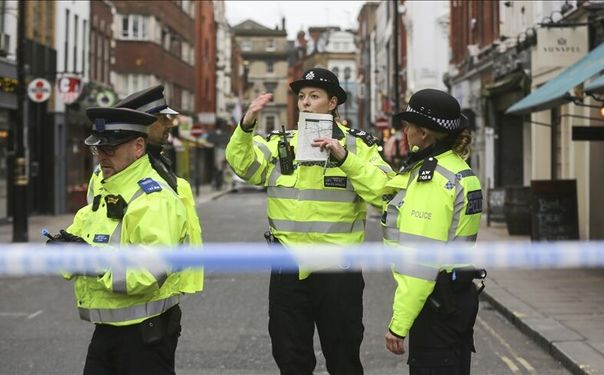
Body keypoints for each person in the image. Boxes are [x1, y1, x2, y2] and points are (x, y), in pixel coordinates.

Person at [225, 67, 394, 375]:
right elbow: (244, 166)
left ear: (332, 103)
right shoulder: (280, 144)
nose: (305, 102)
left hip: (338, 270)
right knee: (290, 358)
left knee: (343, 358)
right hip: (288, 268)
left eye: (314, 96)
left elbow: (385, 192)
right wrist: (246, 126)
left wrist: (345, 159)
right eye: (301, 96)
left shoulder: (359, 146)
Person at [315, 89, 484, 374]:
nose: (404, 131)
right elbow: (384, 190)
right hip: (456, 296)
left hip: (436, 303)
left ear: (425, 132)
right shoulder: (453, 168)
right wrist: (345, 157)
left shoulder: (432, 180)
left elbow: (421, 264)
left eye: (409, 125)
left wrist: (399, 324)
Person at [49, 107, 193, 375]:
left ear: (138, 146)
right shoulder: (107, 190)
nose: (102, 156)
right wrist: (62, 252)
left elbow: (150, 272)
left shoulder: (154, 199)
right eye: (98, 149)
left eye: (110, 149)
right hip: (109, 330)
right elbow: (80, 245)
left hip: (144, 335)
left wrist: (92, 262)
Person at [87, 85, 203, 293]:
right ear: (142, 123)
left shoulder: (159, 163)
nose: (170, 123)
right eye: (161, 118)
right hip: (136, 291)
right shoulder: (119, 171)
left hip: (157, 289)